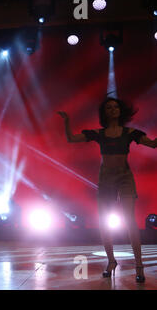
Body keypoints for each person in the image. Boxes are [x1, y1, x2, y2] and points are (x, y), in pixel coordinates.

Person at [58, 97, 156, 283]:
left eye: (116, 107)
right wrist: (67, 122)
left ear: (120, 111)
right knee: (104, 222)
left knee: (130, 221)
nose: (113, 109)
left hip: (124, 178)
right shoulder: (99, 133)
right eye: (109, 107)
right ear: (105, 112)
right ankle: (111, 261)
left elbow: (152, 144)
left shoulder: (130, 133)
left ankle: (139, 265)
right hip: (106, 180)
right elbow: (71, 139)